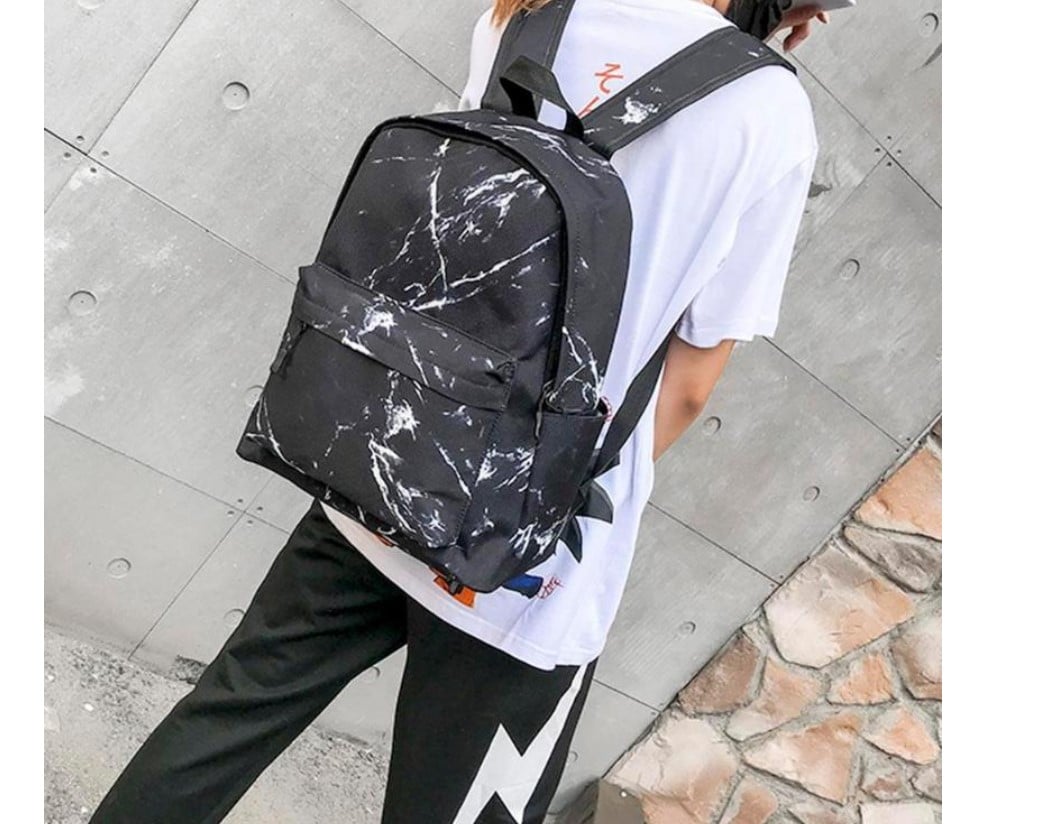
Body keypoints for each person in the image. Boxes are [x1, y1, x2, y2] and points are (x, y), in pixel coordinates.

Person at [88, 1, 822, 822]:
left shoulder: (528, 12)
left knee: (228, 716)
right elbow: (687, 385)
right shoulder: (770, 109)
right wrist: (537, 493)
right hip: (531, 565)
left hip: (391, 469)